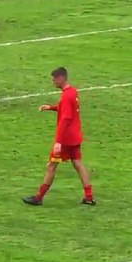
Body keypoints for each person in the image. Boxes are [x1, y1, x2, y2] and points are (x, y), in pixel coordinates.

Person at [23, 67, 95, 206]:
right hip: (75, 137)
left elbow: (66, 118)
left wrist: (58, 142)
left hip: (66, 140)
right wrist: (51, 107)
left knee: (51, 165)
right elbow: (67, 109)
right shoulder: (72, 91)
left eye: (54, 79)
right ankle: (89, 197)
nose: (53, 82)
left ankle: (38, 198)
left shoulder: (66, 96)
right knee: (78, 165)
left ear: (61, 78)